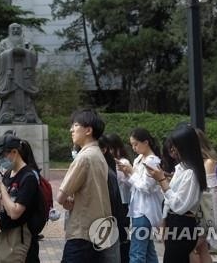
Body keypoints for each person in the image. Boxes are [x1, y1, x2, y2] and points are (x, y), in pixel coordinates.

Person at [57, 109, 113, 262]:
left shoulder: (84, 158)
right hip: (98, 231)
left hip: (82, 232)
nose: (71, 130)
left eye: (75, 125)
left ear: (88, 130)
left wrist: (66, 200)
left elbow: (61, 196)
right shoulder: (99, 155)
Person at [146, 125, 207, 263]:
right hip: (175, 223)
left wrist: (162, 180)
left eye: (175, 146)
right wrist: (164, 222)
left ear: (186, 147)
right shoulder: (181, 169)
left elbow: (179, 205)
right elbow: (169, 201)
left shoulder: (191, 173)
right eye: (171, 146)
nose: (172, 150)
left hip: (182, 224)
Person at [0, 132, 40, 263]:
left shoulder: (28, 177)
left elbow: (15, 212)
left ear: (14, 152)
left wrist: (1, 188)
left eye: (1, 156)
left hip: (18, 237)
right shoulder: (9, 173)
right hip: (2, 234)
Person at [118, 127, 163, 263]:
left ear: (146, 142)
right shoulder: (139, 159)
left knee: (137, 253)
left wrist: (131, 172)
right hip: (138, 208)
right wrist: (126, 172)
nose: (134, 148)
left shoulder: (152, 161)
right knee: (148, 252)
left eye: (136, 144)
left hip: (145, 211)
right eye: (132, 144)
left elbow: (145, 187)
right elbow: (134, 185)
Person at [0, 23, 41, 125]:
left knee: (27, 98)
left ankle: (29, 115)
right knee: (9, 98)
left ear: (21, 30)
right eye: (13, 28)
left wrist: (24, 51)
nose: (15, 30)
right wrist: (11, 52)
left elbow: (34, 56)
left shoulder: (27, 42)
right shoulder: (4, 43)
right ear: (9, 30)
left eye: (18, 28)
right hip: (10, 76)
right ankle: (7, 115)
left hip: (25, 76)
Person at [190, 129, 217, 263]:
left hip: (205, 209)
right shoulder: (195, 161)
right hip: (198, 209)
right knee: (202, 248)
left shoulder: (208, 162)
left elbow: (210, 190)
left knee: (190, 247)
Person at [99, 135, 129, 263]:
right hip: (115, 209)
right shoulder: (107, 165)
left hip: (122, 205)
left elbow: (128, 184)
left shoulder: (122, 163)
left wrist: (125, 172)